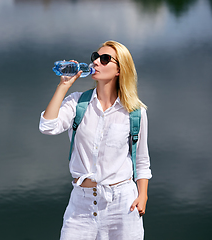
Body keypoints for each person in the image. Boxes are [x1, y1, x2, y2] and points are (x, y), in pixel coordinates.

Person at [39, 40, 152, 240]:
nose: (96, 62)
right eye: (95, 57)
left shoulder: (135, 112)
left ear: (119, 69)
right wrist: (63, 85)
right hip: (81, 205)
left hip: (122, 204)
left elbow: (142, 161)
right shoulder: (77, 102)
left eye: (105, 59)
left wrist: (142, 195)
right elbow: (47, 127)